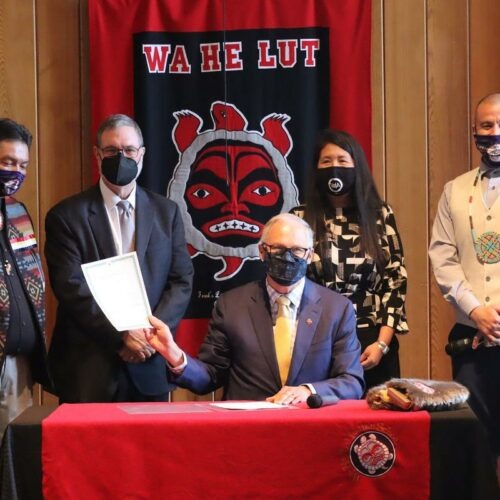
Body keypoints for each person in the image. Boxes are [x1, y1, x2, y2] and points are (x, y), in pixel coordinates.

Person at [45, 114, 193, 403]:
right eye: (112, 151)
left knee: (152, 448)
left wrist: (150, 337)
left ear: (142, 154)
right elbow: (71, 287)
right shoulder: (66, 216)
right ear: (98, 155)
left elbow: (181, 280)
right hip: (87, 367)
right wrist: (122, 335)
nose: (121, 157)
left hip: (150, 363)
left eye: (128, 151)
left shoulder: (167, 212)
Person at [146, 213, 364, 404]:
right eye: (277, 248)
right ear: (262, 251)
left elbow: (351, 382)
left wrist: (309, 391)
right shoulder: (231, 305)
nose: (287, 258)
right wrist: (174, 355)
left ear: (309, 254)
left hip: (310, 430)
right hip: (247, 431)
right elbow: (210, 376)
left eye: (297, 250)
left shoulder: (336, 309)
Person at [292, 129, 408, 391]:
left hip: (372, 340)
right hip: (319, 339)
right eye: (326, 162)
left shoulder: (380, 215)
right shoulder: (299, 217)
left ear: (357, 166)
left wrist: (381, 344)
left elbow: (396, 281)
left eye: (342, 161)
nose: (334, 168)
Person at [429, 93, 500, 483]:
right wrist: (476, 310)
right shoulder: (454, 191)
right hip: (472, 340)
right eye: (486, 126)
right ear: (474, 132)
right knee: (476, 443)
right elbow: (442, 257)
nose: (495, 133)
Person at [0, 118, 50, 437]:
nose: (16, 172)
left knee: (11, 467)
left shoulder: (18, 212)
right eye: (7, 162)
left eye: (23, 164)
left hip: (19, 366)